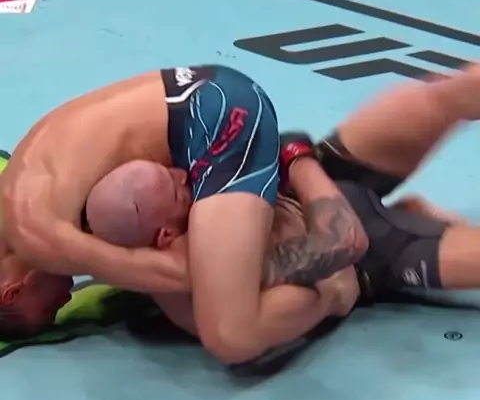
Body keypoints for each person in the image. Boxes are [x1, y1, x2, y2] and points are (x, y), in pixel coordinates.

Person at [86, 63, 480, 340]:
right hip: (372, 249)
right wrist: (296, 161)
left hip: (315, 181)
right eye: (175, 189)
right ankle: (414, 221)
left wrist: (293, 167)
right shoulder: (205, 286)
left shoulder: (165, 208)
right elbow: (340, 265)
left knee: (447, 95)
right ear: (164, 235)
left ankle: (411, 211)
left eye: (170, 171)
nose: (182, 174)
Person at [0, 66, 367, 359]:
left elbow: (176, 274)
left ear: (12, 293)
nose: (63, 305)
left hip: (218, 119)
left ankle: (333, 258)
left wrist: (241, 271)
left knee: (230, 334)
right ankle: (274, 201)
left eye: (46, 313)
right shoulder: (18, 208)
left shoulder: (38, 236)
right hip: (194, 97)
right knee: (171, 283)